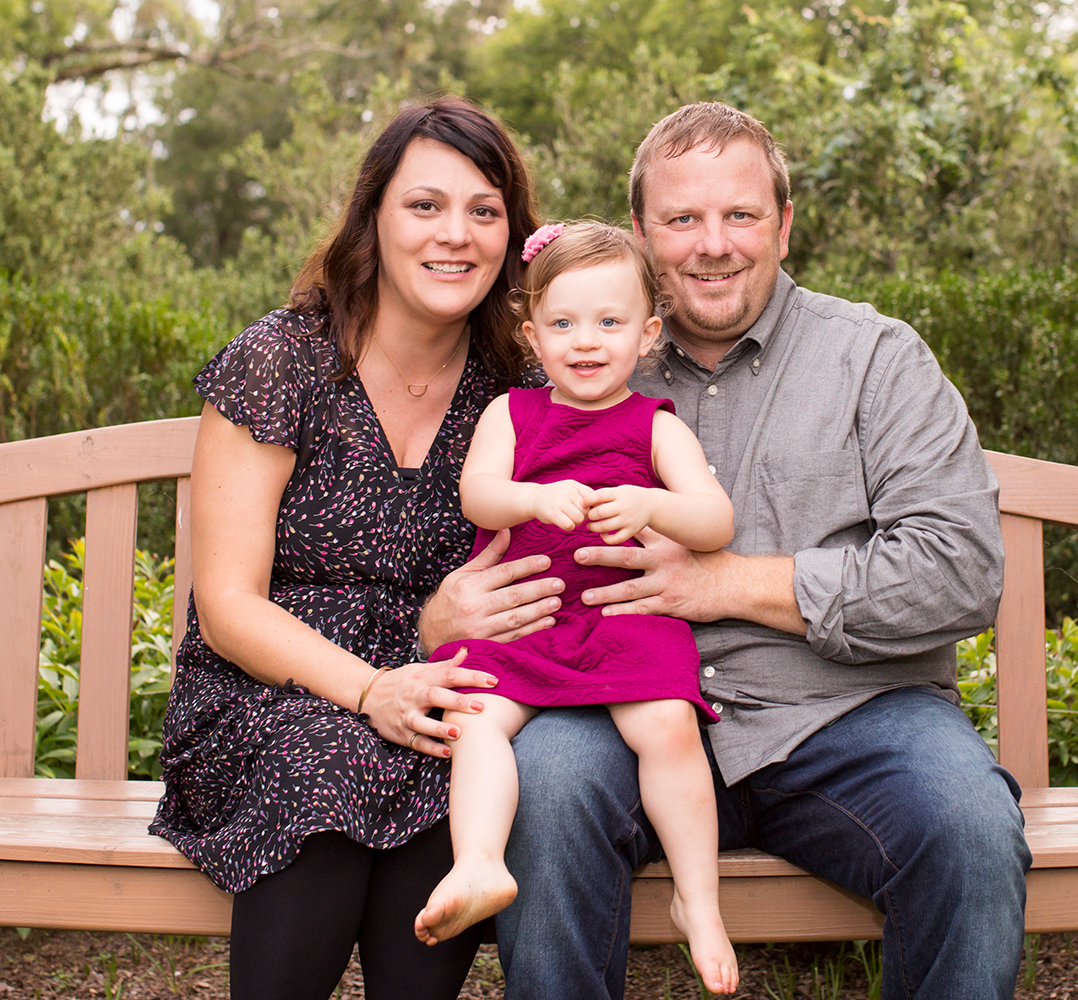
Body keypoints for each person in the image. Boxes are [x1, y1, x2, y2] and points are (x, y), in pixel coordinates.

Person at [420, 103, 1032, 1000]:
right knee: (547, 787)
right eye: (682, 219)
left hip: (849, 712)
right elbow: (476, 537)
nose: (713, 244)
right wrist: (445, 616)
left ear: (783, 225)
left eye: (740, 215)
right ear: (641, 234)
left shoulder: (877, 360)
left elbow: (962, 571)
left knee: (969, 827)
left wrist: (725, 583)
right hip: (615, 700)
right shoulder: (583, 357)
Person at [148, 97, 555, 1000]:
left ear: (512, 235)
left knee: (444, 768)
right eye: (425, 205)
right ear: (374, 215)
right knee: (326, 761)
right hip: (268, 697)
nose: (456, 235)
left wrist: (430, 646)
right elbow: (227, 606)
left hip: (432, 698)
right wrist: (374, 685)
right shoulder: (284, 360)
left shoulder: (520, 389)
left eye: (484, 210)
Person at [412, 222, 739, 994]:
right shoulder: (514, 415)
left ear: (647, 332)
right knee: (475, 722)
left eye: (608, 323)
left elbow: (715, 520)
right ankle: (480, 862)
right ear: (531, 334)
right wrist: (532, 495)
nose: (585, 342)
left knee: (667, 724)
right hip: (525, 623)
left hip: (623, 620)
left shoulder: (655, 424)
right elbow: (478, 493)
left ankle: (700, 900)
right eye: (562, 324)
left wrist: (651, 506)